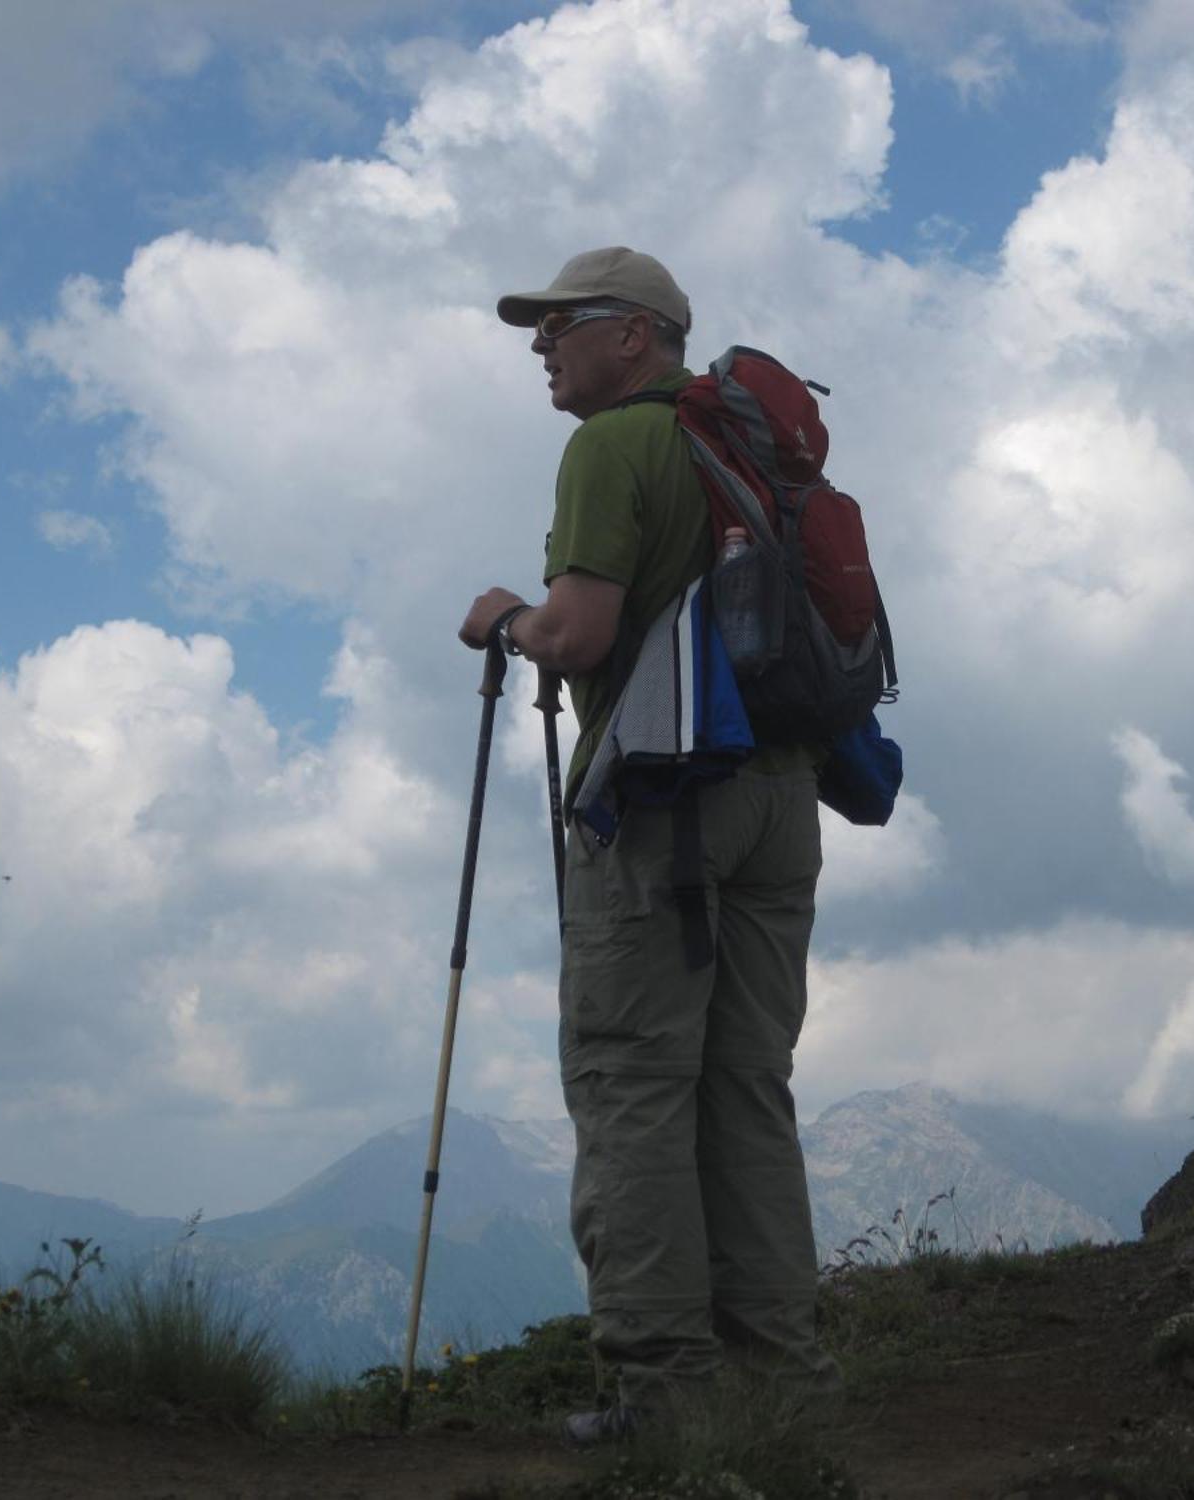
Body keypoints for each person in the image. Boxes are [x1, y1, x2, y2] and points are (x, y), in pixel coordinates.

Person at [458, 247, 841, 1442]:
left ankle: (664, 1398)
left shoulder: (613, 446)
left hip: (665, 800)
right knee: (744, 1088)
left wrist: (503, 618)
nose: (539, 345)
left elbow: (575, 637)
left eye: (559, 324)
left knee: (632, 1087)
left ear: (634, 335)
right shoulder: (752, 457)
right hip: (781, 800)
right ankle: (781, 1386)